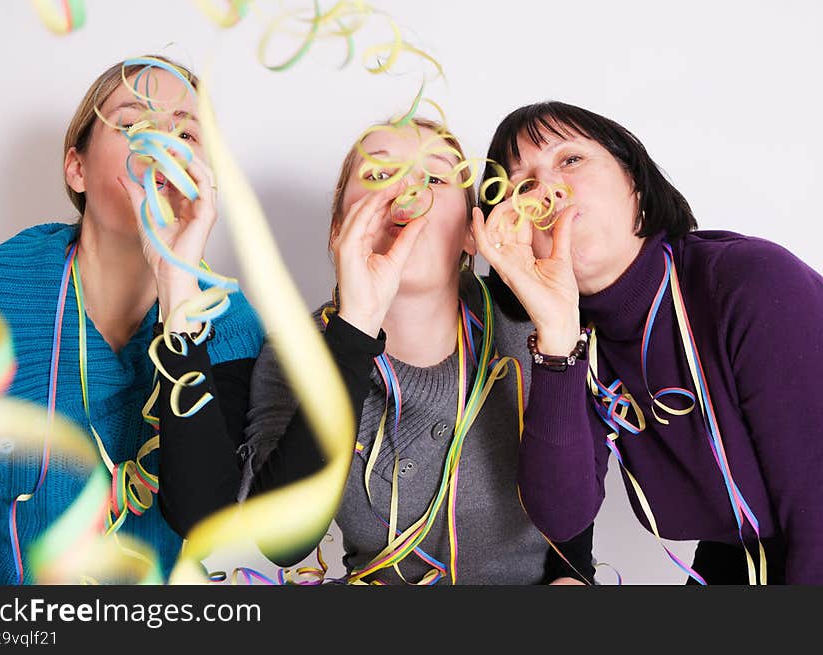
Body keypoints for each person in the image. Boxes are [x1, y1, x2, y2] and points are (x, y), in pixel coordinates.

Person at [158, 118, 596, 585]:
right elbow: (285, 542)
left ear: (473, 234)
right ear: (338, 229)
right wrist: (356, 326)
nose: (406, 192)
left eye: (432, 177)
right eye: (379, 176)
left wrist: (574, 577)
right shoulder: (300, 350)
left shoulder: (528, 320)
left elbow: (570, 514)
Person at [0, 55, 264, 584]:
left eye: (186, 131)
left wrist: (177, 286)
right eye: (135, 122)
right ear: (77, 167)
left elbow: (203, 515)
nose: (163, 144)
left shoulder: (229, 322)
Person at [473, 101, 823, 584]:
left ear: (635, 183)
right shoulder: (575, 338)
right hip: (738, 561)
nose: (546, 190)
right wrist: (556, 336)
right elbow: (561, 516)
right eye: (522, 185)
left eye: (570, 160)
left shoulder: (751, 282)